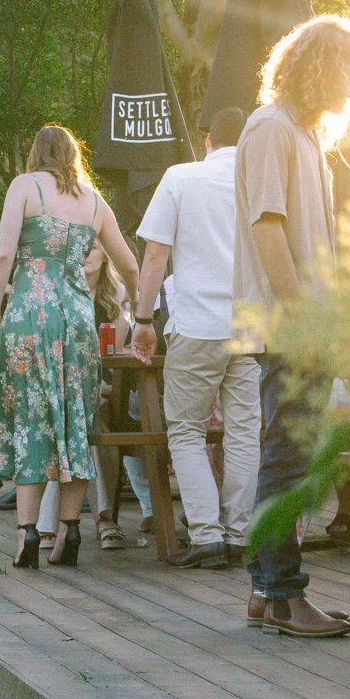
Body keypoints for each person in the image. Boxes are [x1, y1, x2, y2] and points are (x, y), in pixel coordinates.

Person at [237, 15, 350, 638]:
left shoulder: (307, 134)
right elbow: (268, 228)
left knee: (295, 457)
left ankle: (265, 589)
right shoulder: (271, 128)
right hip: (291, 325)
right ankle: (283, 596)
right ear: (321, 64)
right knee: (288, 460)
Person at [0, 124, 140, 569]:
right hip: (77, 321)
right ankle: (71, 530)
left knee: (31, 418)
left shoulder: (25, 186)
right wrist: (139, 312)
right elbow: (130, 265)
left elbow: (3, 254)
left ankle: (28, 533)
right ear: (74, 157)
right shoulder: (94, 201)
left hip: (31, 314)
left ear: (36, 154)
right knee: (75, 422)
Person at [130, 106, 258, 570]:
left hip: (197, 324)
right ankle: (239, 535)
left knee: (185, 429)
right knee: (244, 432)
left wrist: (143, 319)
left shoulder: (181, 177)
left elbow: (154, 256)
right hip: (250, 327)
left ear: (208, 141)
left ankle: (206, 535)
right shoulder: (259, 182)